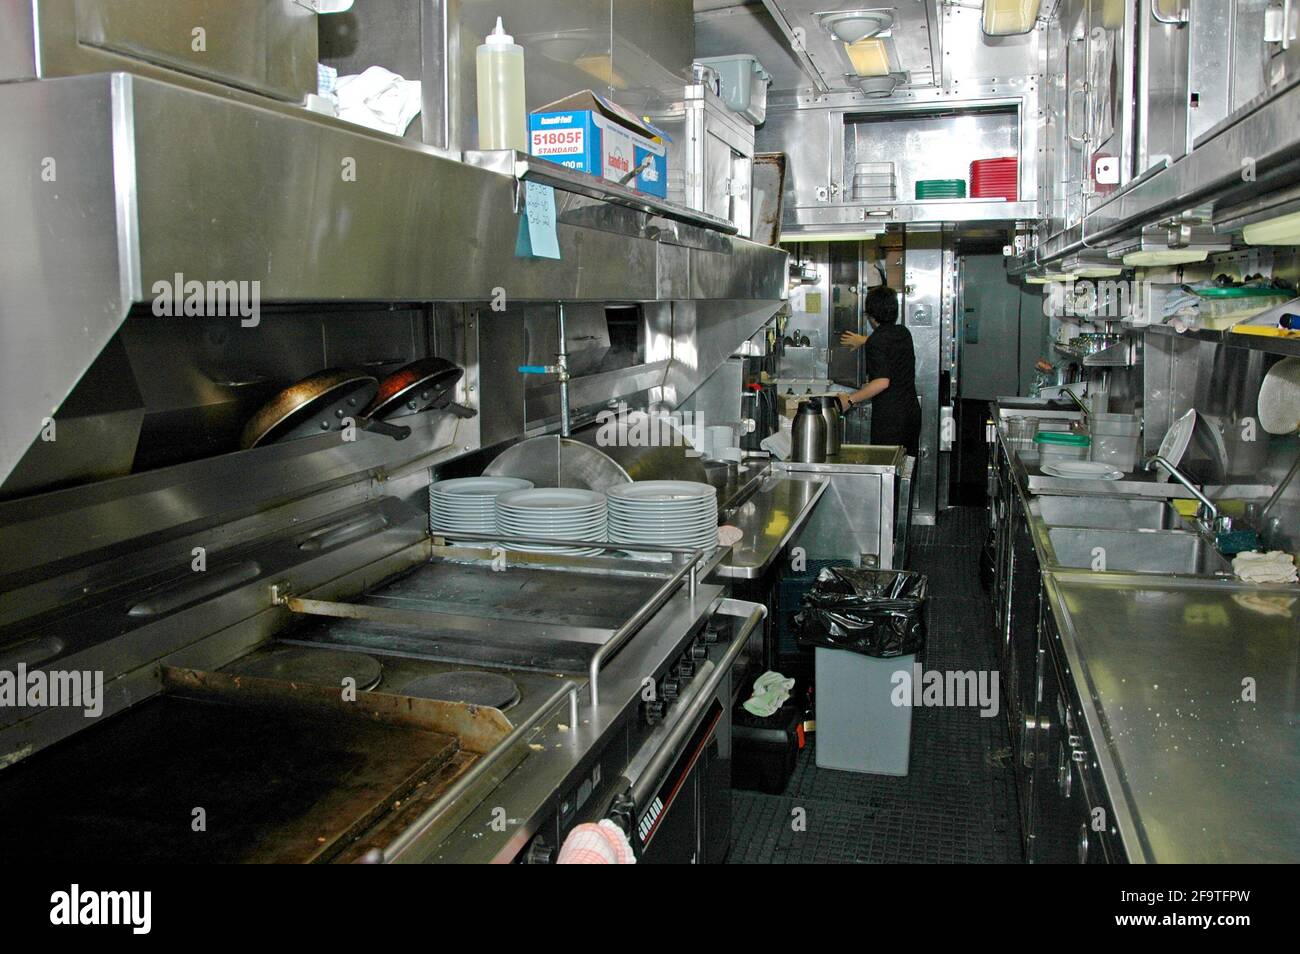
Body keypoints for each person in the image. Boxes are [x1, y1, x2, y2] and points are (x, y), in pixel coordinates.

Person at [836, 286, 921, 458]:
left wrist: (850, 400)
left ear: (871, 316)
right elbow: (891, 357)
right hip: (911, 414)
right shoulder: (903, 333)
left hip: (890, 419)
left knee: (887, 467)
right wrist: (865, 340)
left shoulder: (876, 341)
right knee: (905, 468)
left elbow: (882, 382)